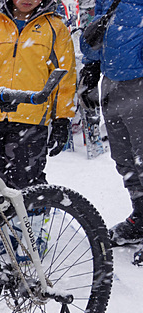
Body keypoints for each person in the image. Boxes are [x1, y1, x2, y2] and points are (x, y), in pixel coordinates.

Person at [0, 0, 77, 191]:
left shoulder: (55, 28)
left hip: (31, 119)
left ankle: (33, 220)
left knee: (26, 181)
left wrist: (62, 119)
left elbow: (64, 78)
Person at [79, 0, 143, 253]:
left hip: (139, 82)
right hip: (112, 82)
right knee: (125, 158)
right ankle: (140, 217)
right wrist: (91, 68)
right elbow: (99, 34)